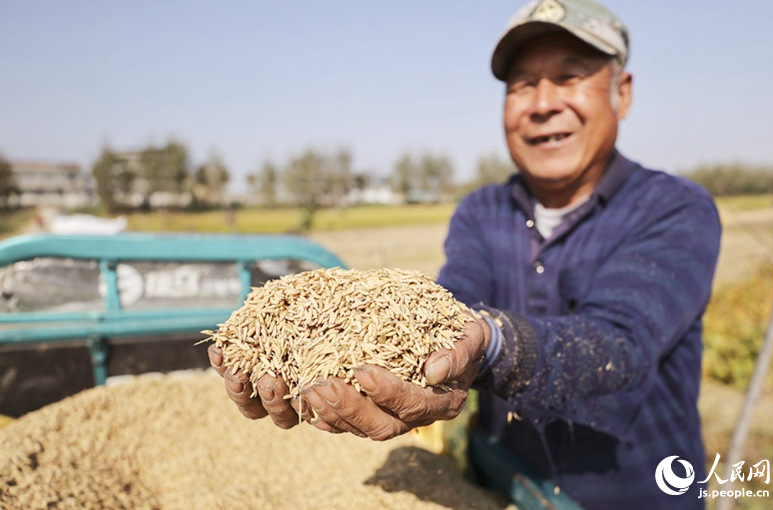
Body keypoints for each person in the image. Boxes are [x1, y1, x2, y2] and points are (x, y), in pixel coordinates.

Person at [208, 0, 721, 508]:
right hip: (499, 487)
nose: (543, 103)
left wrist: (493, 343)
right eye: (523, 83)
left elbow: (618, 344)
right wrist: (404, 356)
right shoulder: (482, 211)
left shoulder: (674, 209)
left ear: (621, 93)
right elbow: (451, 307)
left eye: (569, 77)